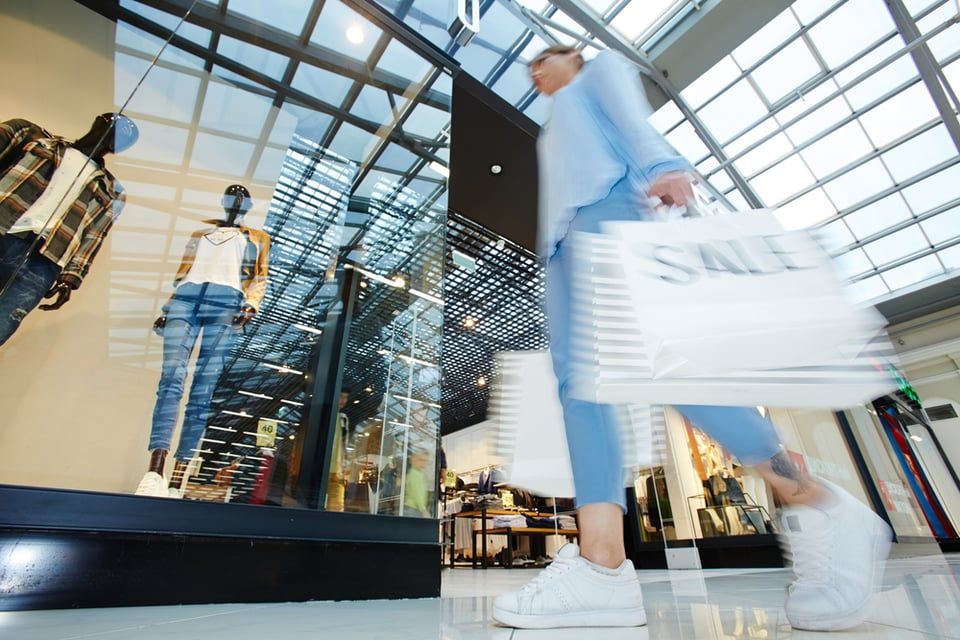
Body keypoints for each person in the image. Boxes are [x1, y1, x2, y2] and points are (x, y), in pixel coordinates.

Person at [491, 45, 892, 632]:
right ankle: (602, 564)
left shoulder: (596, 72)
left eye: (542, 62)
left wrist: (663, 166)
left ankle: (815, 500)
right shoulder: (551, 123)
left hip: (613, 219)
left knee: (669, 368)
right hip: (563, 250)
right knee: (582, 392)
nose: (534, 73)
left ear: (568, 57)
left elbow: (630, 118)